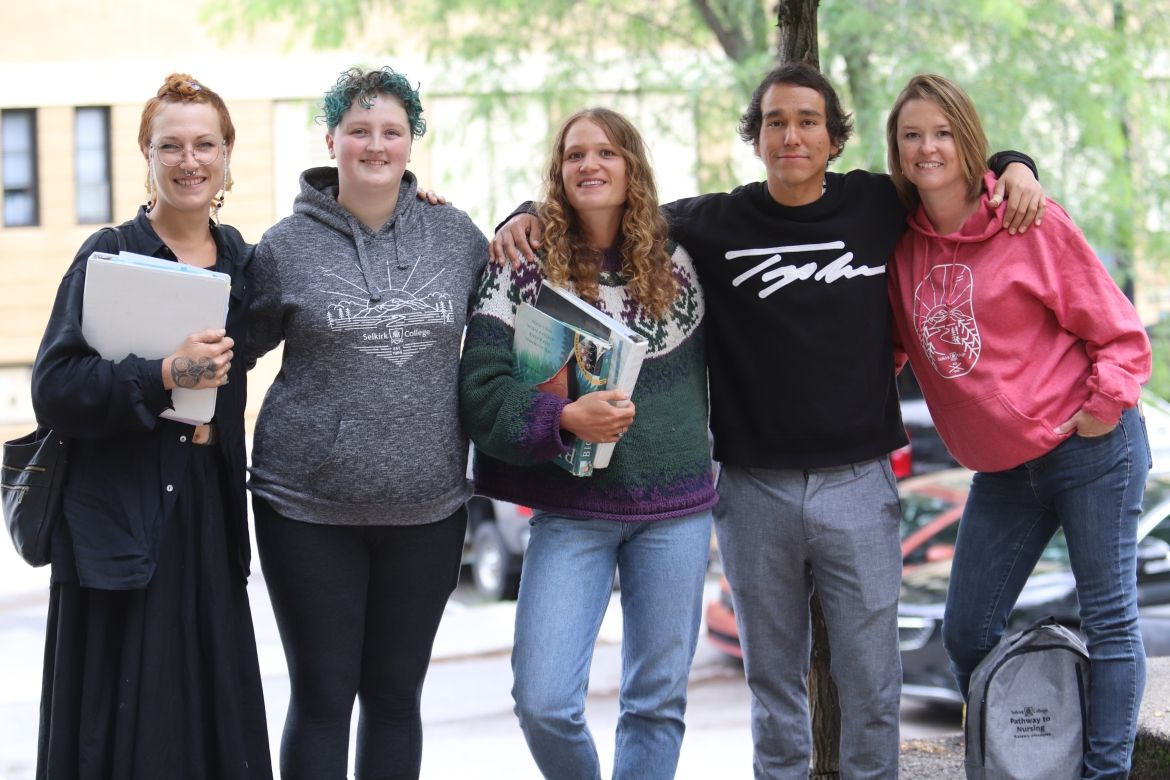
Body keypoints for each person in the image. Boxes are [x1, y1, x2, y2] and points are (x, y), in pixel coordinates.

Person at [492, 62, 1045, 779]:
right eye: (776, 122)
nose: (792, 136)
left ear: (834, 138)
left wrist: (1016, 164)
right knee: (773, 688)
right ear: (755, 138)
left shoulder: (878, 204)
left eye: (808, 121)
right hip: (754, 492)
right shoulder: (712, 224)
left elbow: (948, 173)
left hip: (858, 483)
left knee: (873, 685)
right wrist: (523, 213)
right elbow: (609, 203)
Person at [885, 73, 1152, 779]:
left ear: (969, 141)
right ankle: (1036, 752)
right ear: (897, 149)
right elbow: (889, 353)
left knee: (1111, 621)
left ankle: (1103, 772)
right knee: (967, 632)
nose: (927, 148)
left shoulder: (1028, 220)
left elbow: (1121, 334)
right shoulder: (901, 249)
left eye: (943, 133)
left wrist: (1101, 408)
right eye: (912, 135)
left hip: (1091, 449)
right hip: (1003, 471)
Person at [459, 107, 717, 779]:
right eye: (575, 154)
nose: (590, 164)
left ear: (633, 167)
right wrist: (566, 417)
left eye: (606, 152)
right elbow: (480, 391)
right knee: (543, 702)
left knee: (656, 702)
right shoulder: (520, 264)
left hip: (676, 516)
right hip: (571, 513)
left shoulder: (684, 257)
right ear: (558, 172)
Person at [245, 66, 487, 779]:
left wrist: (527, 212)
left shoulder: (456, 237)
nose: (375, 145)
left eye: (391, 131)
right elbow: (228, 352)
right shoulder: (284, 247)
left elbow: (513, 320)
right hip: (305, 509)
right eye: (359, 130)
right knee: (323, 696)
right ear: (332, 141)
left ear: (412, 142)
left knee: (394, 697)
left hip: (428, 508)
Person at [30, 74, 271, 779]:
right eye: (171, 145)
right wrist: (165, 372)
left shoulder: (246, 264)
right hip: (118, 519)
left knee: (209, 724)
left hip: (208, 512)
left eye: (204, 145)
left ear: (227, 154)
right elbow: (55, 389)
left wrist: (414, 196)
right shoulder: (108, 255)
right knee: (122, 730)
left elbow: (331, 259)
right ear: (146, 152)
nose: (189, 161)